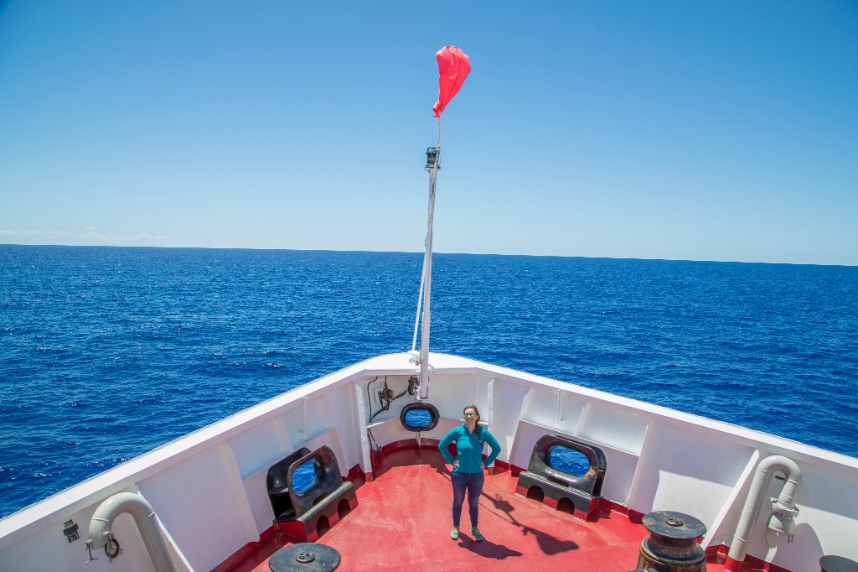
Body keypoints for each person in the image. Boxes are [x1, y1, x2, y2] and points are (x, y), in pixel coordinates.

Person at [438, 404, 501, 542]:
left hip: (477, 475)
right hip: (459, 474)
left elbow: (496, 448)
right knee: (458, 501)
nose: (469, 417)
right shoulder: (458, 431)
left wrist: (486, 463)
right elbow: (442, 445)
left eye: (471, 414)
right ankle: (456, 526)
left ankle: (474, 528)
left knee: (473, 502)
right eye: (466, 415)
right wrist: (451, 460)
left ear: (477, 417)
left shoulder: (483, 432)